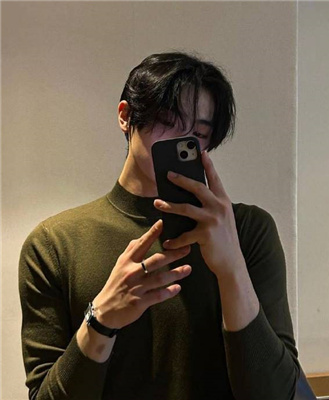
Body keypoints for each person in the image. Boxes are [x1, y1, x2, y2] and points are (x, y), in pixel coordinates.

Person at [19, 51, 300, 400]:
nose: (181, 140)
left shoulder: (247, 230)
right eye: (168, 121)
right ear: (126, 116)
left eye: (198, 133)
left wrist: (232, 270)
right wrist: (102, 318)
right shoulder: (55, 243)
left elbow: (279, 393)